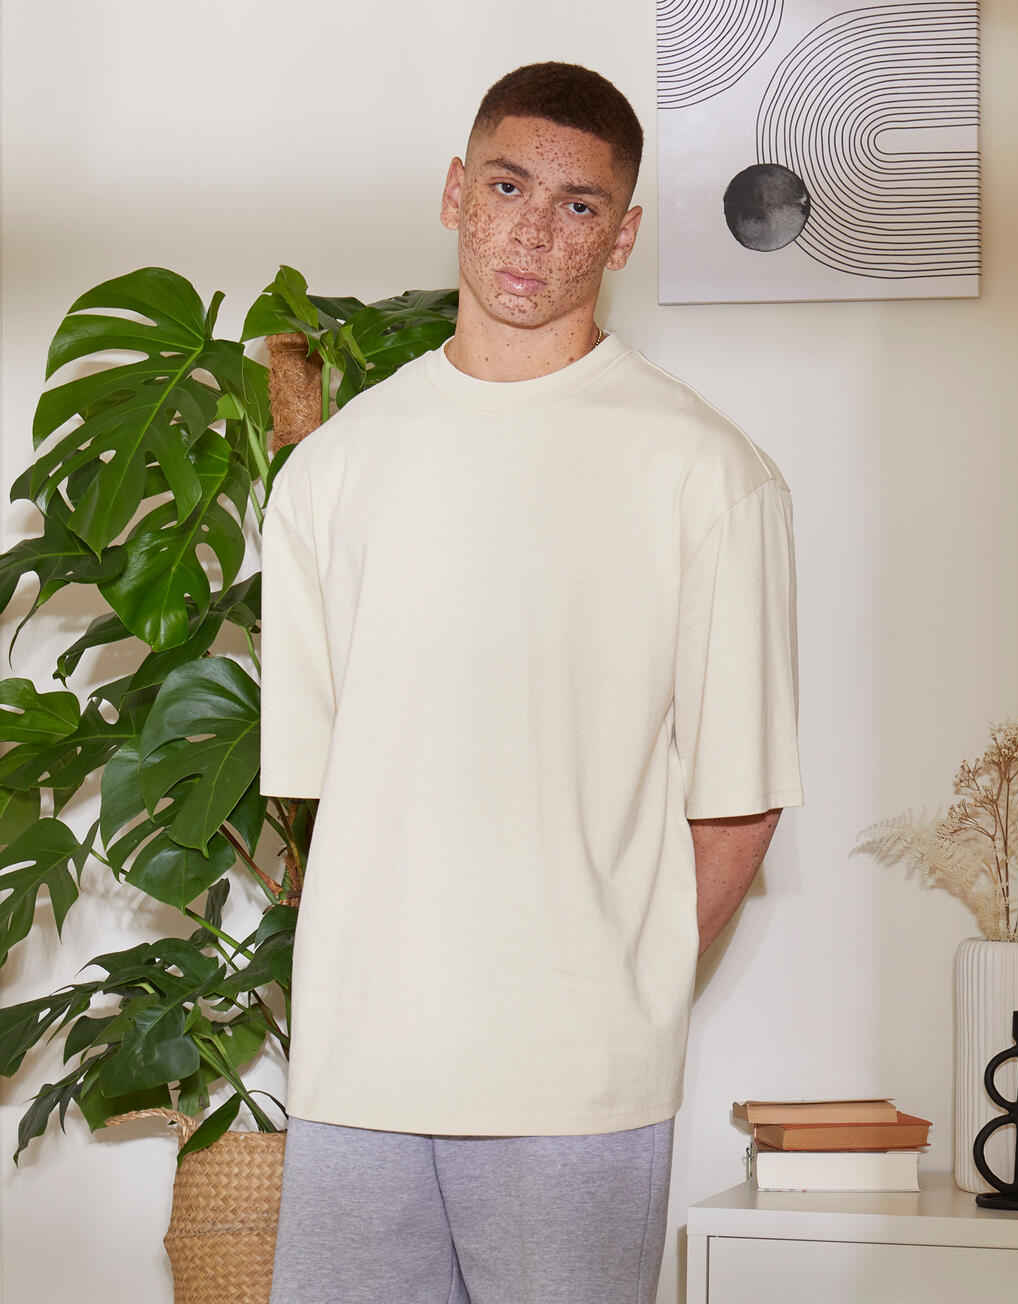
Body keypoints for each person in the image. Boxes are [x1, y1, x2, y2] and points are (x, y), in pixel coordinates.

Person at [259, 61, 803, 1304]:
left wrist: (615, 999)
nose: (534, 230)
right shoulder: (333, 473)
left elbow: (739, 802)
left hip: (578, 1082)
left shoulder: (709, 472)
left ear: (623, 233)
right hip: (359, 1070)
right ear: (456, 191)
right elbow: (321, 788)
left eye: (577, 204)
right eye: (507, 187)